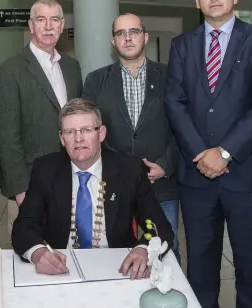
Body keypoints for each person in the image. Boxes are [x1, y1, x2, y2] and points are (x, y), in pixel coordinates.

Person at [164, 0, 252, 308]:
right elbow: (175, 103)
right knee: (200, 273)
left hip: (249, 181)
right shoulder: (181, 45)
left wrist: (224, 152)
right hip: (197, 181)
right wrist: (203, 154)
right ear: (196, 0)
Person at [11, 98, 174, 278]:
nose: (78, 138)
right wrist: (38, 253)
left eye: (87, 130)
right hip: (61, 267)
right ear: (61, 138)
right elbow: (24, 225)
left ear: (101, 133)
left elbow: (160, 226)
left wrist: (144, 250)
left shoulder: (129, 170)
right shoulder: (45, 170)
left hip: (119, 267)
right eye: (70, 132)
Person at [83, 13, 181, 263]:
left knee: (164, 251)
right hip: (113, 184)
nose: (127, 38)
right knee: (113, 255)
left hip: (161, 184)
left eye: (134, 32)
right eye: (120, 33)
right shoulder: (95, 80)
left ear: (145, 36)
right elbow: (90, 131)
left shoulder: (171, 76)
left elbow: (182, 127)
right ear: (113, 41)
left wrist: (165, 165)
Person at [0, 0, 83, 210]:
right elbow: (6, 135)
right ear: (31, 26)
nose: (49, 26)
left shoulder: (72, 67)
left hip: (72, 177)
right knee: (32, 243)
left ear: (61, 26)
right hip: (31, 183)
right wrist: (21, 190)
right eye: (41, 19)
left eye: (54, 20)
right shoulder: (10, 70)